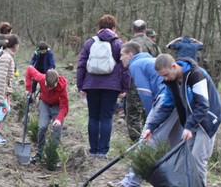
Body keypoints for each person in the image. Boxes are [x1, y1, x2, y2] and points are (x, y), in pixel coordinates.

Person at [111, 54, 221, 187]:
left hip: (207, 121)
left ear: (174, 66)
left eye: (166, 74)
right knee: (187, 160)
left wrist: (188, 126)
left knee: (197, 160)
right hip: (192, 120)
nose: (165, 78)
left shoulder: (196, 75)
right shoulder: (171, 81)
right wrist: (151, 127)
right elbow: (166, 107)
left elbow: (202, 105)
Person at [76, 14, 130, 158]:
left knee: (93, 118)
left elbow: (81, 64)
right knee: (106, 118)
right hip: (112, 86)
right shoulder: (118, 44)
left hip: (92, 84)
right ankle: (103, 152)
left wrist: (80, 85)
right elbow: (125, 68)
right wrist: (125, 87)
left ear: (99, 27)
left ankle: (93, 150)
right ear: (114, 28)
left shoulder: (89, 43)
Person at [24, 66, 69, 163]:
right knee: (42, 127)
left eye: (51, 87)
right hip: (44, 104)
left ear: (56, 83)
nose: (48, 88)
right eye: (47, 85)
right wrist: (28, 88)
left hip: (57, 106)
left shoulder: (62, 88)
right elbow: (29, 69)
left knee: (56, 130)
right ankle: (39, 153)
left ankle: (53, 156)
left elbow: (64, 107)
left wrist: (59, 119)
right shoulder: (41, 77)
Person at [126, 21, 160, 141]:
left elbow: (124, 66)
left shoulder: (129, 46)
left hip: (133, 84)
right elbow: (159, 64)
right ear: (145, 30)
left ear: (132, 30)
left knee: (133, 113)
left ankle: (135, 141)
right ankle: (149, 139)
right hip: (150, 85)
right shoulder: (153, 44)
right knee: (149, 112)